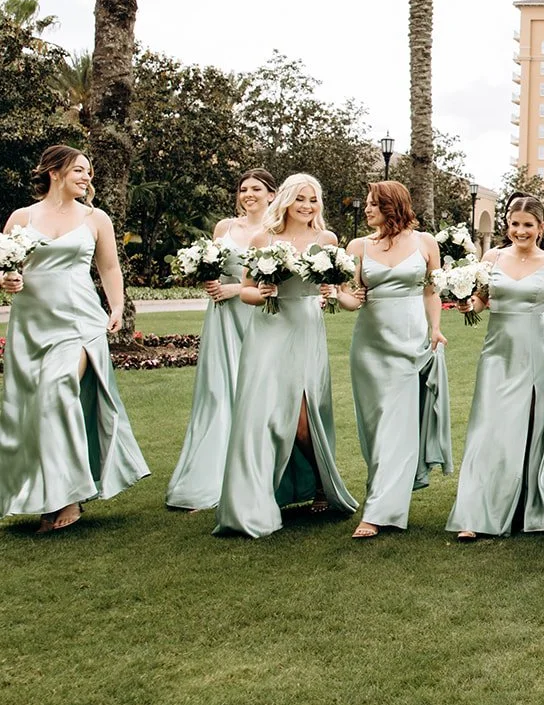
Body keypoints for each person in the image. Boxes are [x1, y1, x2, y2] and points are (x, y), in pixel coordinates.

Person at [0, 146, 149, 531]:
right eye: (79, 170)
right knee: (31, 409)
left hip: (80, 322)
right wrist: (7, 280)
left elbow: (110, 266)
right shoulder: (22, 217)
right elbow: (6, 267)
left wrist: (116, 307)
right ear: (54, 172)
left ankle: (70, 497)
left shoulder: (95, 218)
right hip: (31, 326)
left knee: (58, 390)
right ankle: (42, 493)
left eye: (89, 172)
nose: (87, 177)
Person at [215, 173, 359, 538]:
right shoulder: (264, 238)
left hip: (307, 327)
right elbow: (244, 291)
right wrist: (263, 291)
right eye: (301, 199)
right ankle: (255, 497)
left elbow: (342, 291)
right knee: (262, 413)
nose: (308, 206)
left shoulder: (326, 239)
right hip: (269, 331)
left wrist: (333, 289)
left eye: (314, 200)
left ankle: (321, 485)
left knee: (302, 416)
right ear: (287, 201)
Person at [447, 197, 544, 539]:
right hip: (497, 355)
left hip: (536, 356)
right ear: (507, 226)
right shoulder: (492, 258)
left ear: (541, 227)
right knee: (488, 430)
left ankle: (528, 508)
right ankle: (475, 513)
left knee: (530, 431)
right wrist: (465, 302)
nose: (521, 230)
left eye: (528, 224)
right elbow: (481, 300)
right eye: (515, 224)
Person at [342, 180, 451, 539]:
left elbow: (431, 292)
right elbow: (355, 299)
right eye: (368, 205)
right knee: (374, 428)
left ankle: (378, 512)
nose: (368, 210)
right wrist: (333, 293)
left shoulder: (425, 243)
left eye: (375, 204)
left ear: (393, 206)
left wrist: (435, 328)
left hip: (410, 342)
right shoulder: (358, 246)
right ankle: (381, 492)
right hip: (369, 346)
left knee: (398, 426)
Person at [167, 168, 276, 511]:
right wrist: (208, 280)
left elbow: (280, 282)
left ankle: (258, 473)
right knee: (218, 392)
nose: (248, 194)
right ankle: (209, 476)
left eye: (256, 189)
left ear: (271, 194)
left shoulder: (277, 232)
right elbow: (212, 265)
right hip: (223, 320)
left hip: (259, 317)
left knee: (256, 391)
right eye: (243, 189)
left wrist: (235, 289)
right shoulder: (223, 228)